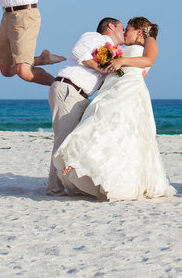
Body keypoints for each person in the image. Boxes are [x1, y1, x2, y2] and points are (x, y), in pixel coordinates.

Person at [54, 17, 176, 201]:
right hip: (113, 85)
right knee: (103, 125)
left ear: (140, 31)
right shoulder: (120, 49)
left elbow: (148, 60)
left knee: (113, 127)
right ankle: (82, 162)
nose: (125, 33)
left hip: (127, 88)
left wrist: (122, 61)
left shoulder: (149, 41)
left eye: (128, 29)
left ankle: (85, 164)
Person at [44, 17, 124, 195]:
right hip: (69, 88)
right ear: (111, 26)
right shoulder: (96, 37)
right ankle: (54, 187)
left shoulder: (113, 52)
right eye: (122, 27)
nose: (124, 31)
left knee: (77, 140)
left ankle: (71, 184)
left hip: (81, 96)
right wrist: (99, 67)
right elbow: (78, 51)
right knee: (63, 139)